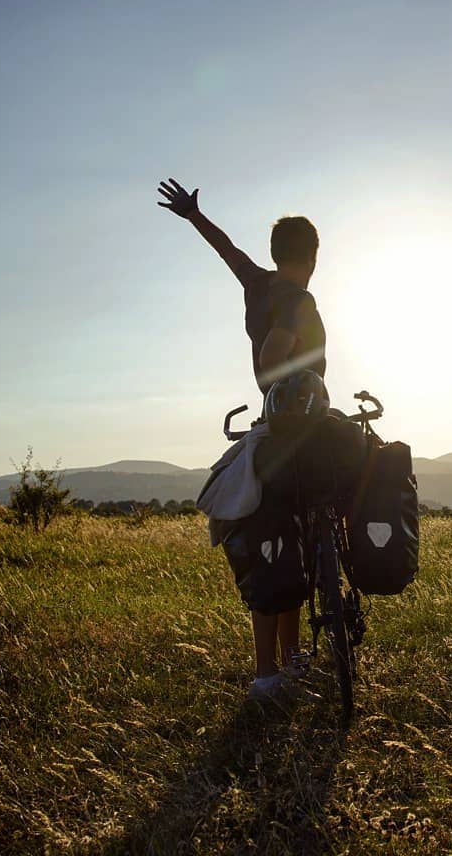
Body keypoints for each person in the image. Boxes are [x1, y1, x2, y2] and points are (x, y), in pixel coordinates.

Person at [157, 177, 327, 699]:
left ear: (276, 255)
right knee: (298, 545)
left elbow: (227, 249)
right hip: (304, 432)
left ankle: (276, 669)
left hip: (269, 428)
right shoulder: (300, 300)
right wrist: (282, 359)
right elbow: (274, 358)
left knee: (272, 548)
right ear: (314, 255)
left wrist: (193, 216)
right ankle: (285, 667)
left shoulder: (258, 283)